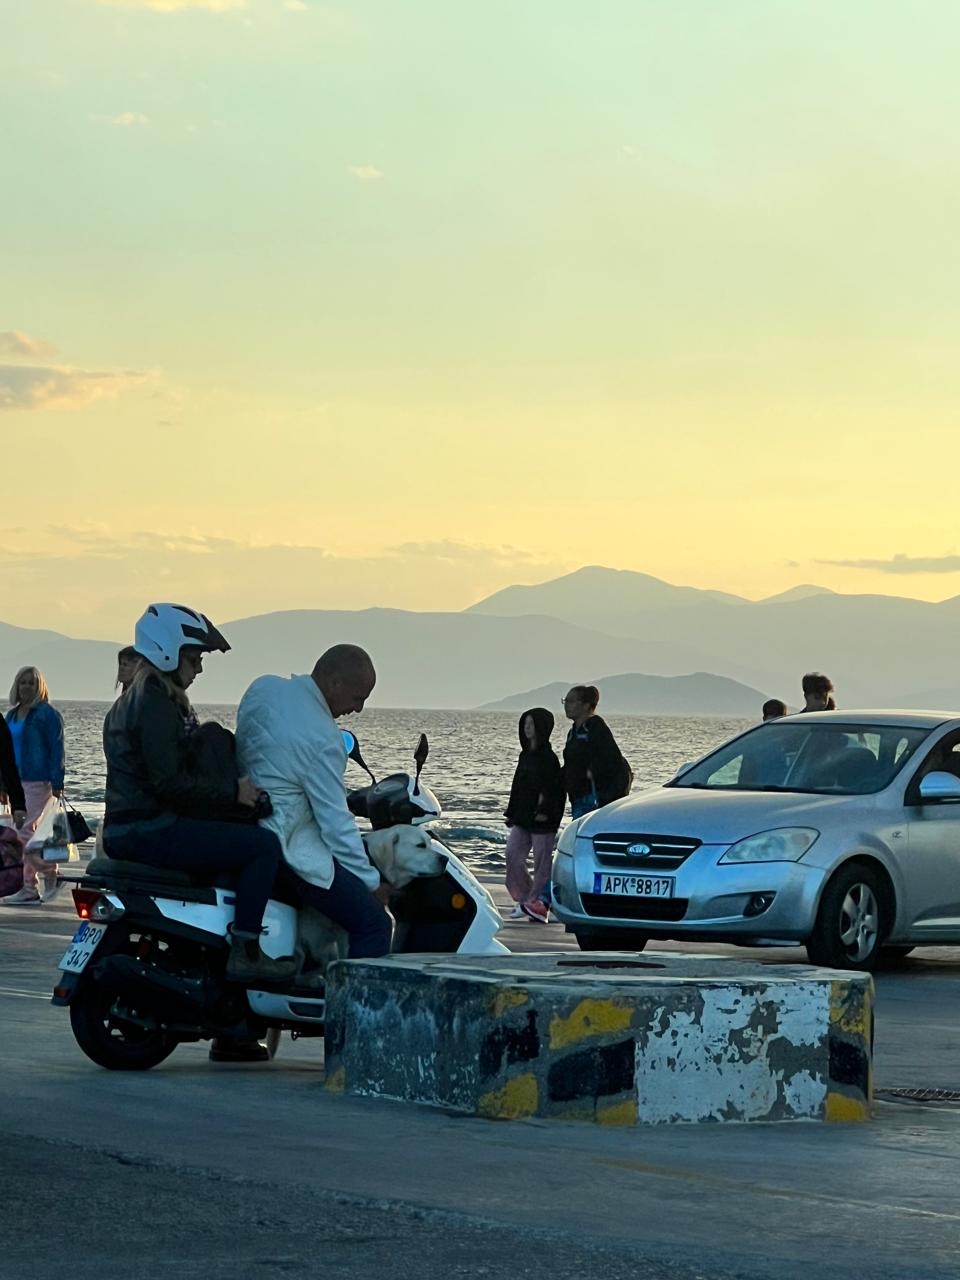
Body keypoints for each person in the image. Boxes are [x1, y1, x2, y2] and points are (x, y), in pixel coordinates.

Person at [101, 604, 293, 982]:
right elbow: (169, 782)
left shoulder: (138, 699)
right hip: (148, 830)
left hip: (132, 828)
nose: (199, 668)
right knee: (261, 847)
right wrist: (233, 794)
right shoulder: (153, 702)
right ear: (168, 653)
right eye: (194, 658)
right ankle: (247, 950)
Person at [236, 645, 392, 960]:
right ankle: (355, 1008)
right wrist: (372, 882)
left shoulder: (263, 687)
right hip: (290, 846)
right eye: (357, 698)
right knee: (374, 924)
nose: (358, 709)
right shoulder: (324, 738)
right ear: (334, 683)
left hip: (246, 823)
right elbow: (335, 824)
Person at [1, 667, 65, 906]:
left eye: (31, 683)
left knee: (23, 833)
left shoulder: (47, 715)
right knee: (27, 835)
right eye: (22, 683)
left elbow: (57, 749)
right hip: (15, 781)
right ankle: (50, 873)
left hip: (38, 781)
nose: (26, 687)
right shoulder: (11, 716)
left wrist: (58, 782)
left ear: (39, 687)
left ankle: (29, 886)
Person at [503, 708, 564, 925]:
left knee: (542, 862)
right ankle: (528, 899)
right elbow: (518, 786)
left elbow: (553, 791)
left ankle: (537, 903)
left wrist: (544, 811)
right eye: (525, 724)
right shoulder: (525, 755)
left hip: (543, 819)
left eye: (531, 724)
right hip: (522, 817)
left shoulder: (549, 758)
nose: (527, 729)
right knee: (512, 855)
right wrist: (512, 812)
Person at [562, 685, 631, 819]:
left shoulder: (595, 727)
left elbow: (611, 758)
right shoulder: (574, 732)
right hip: (578, 796)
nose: (566, 705)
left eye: (571, 701)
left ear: (586, 705)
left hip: (594, 798)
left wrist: (589, 773)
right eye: (565, 701)